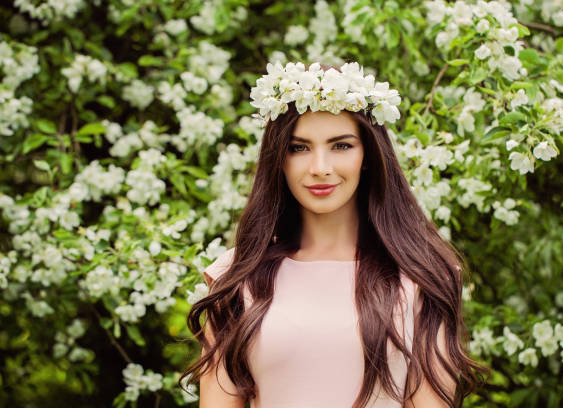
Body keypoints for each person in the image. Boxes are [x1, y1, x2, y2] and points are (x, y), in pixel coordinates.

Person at [180, 61, 489, 408]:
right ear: (278, 159)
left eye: (341, 146)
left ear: (368, 155)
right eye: (299, 148)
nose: (320, 168)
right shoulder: (238, 278)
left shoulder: (420, 276)